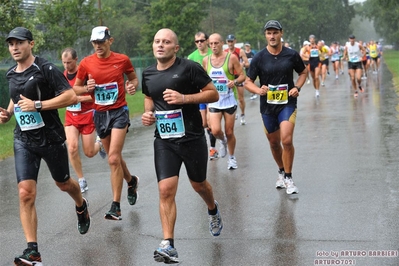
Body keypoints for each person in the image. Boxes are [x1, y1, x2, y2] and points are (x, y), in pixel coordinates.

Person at [0, 27, 90, 265]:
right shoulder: (11, 73)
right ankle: (33, 251)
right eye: (11, 44)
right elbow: (18, 97)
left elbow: (70, 96)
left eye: (19, 43)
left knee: (63, 184)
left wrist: (38, 105)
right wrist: (9, 113)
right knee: (25, 193)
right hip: (23, 139)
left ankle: (81, 205)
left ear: (31, 44)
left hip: (50, 138)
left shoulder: (46, 68)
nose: (15, 48)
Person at [141, 28, 223, 264]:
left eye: (166, 42)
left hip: (192, 137)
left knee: (199, 185)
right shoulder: (148, 73)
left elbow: (212, 94)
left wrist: (185, 98)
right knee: (166, 190)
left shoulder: (189, 68)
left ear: (175, 48)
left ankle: (212, 208)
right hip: (165, 140)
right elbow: (149, 97)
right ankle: (169, 244)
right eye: (157, 41)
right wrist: (148, 114)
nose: (160, 45)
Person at [74, 26, 139, 220]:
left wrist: (131, 86)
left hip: (119, 112)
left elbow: (134, 79)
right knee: (114, 157)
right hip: (100, 114)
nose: (97, 45)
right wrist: (87, 87)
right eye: (94, 42)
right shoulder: (86, 63)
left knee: (112, 158)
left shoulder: (122, 60)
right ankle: (131, 181)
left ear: (110, 41)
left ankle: (116, 206)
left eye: (101, 42)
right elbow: (76, 89)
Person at [244, 20, 307, 194]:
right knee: (274, 143)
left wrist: (297, 87)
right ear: (265, 35)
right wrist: (258, 90)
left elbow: (303, 72)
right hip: (268, 106)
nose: (272, 36)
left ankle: (288, 177)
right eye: (269, 33)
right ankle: (281, 170)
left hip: (287, 103)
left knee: (286, 140)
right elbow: (247, 82)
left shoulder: (291, 54)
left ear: (281, 33)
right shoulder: (259, 57)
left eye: (275, 32)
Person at [61, 47, 106, 193]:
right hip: (71, 116)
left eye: (69, 63)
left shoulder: (86, 73)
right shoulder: (63, 75)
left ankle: (100, 144)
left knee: (89, 152)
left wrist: (79, 97)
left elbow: (96, 95)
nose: (67, 66)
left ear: (76, 60)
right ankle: (81, 180)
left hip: (87, 114)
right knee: (72, 147)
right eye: (64, 63)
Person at [204, 33, 246, 170]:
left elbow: (242, 76)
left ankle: (232, 158)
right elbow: (204, 79)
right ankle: (223, 142)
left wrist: (233, 82)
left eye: (216, 43)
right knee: (215, 130)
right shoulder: (206, 60)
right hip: (214, 101)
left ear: (222, 43)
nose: (214, 46)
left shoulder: (231, 58)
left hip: (228, 100)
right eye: (211, 44)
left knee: (229, 131)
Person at [187, 31, 218, 160]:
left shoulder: (213, 53)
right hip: (199, 94)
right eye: (197, 41)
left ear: (206, 41)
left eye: (202, 40)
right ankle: (213, 141)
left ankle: (212, 148)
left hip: (212, 93)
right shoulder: (191, 57)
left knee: (212, 124)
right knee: (204, 123)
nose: (199, 43)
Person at [224, 34, 249, 125]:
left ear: (235, 41)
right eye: (228, 41)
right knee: (229, 97)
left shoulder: (240, 51)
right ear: (226, 42)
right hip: (229, 77)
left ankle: (242, 114)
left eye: (231, 41)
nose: (230, 43)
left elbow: (247, 63)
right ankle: (234, 112)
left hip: (238, 76)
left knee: (240, 98)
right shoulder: (225, 52)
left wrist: (241, 65)